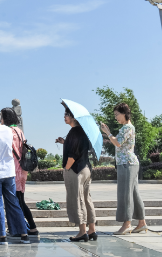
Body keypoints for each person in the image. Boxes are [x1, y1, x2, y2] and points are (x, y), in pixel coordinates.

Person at [0, 105, 30, 245]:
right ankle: (23, 233)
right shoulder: (9, 131)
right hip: (9, 171)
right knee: (13, 202)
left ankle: (1, 236)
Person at [101, 102, 147, 234]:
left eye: (117, 114)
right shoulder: (127, 127)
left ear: (124, 114)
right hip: (129, 163)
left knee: (125, 193)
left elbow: (117, 143)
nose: (116, 117)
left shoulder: (126, 127)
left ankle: (127, 224)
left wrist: (107, 132)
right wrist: (109, 134)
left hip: (127, 164)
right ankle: (142, 223)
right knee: (133, 193)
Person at [55, 103, 96, 242]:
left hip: (75, 170)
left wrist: (66, 168)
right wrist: (64, 142)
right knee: (86, 198)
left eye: (66, 114)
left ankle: (82, 231)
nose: (64, 117)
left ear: (73, 116)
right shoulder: (82, 131)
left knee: (76, 199)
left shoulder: (74, 132)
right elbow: (79, 148)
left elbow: (73, 154)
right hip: (85, 168)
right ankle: (92, 230)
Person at [1, 107, 38, 236]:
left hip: (14, 170)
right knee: (20, 200)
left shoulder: (8, 131)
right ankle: (31, 227)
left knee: (15, 202)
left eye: (1, 117)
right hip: (23, 169)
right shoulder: (19, 131)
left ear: (5, 118)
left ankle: (20, 229)